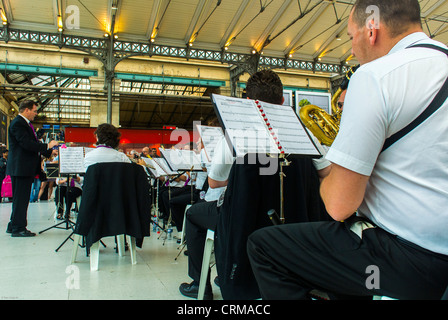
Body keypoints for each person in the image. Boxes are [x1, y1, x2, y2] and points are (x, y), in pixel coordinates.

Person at [247, 0, 448, 300]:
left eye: (352, 36)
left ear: (371, 30)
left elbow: (339, 205)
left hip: (411, 262)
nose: (352, 50)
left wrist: (329, 173)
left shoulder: (375, 77)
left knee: (264, 246)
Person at [179, 69, 331, 299]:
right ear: (282, 101)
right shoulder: (304, 132)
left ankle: (201, 285)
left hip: (244, 220)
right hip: (296, 219)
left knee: (193, 215)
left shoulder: (235, 134)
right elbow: (326, 171)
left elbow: (215, 181)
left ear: (248, 102)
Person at [6, 100, 59, 237]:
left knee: (19, 198)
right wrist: (47, 146)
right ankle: (18, 228)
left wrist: (48, 152)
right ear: (26, 110)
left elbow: (33, 145)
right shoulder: (18, 123)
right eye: (34, 111)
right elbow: (26, 144)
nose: (36, 114)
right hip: (21, 167)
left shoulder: (24, 124)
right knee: (21, 199)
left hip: (22, 167)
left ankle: (13, 225)